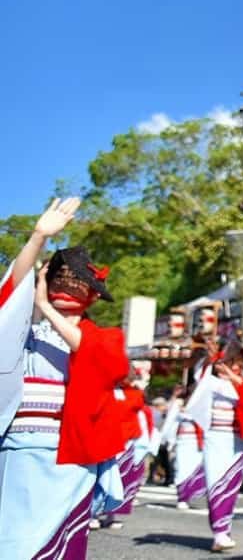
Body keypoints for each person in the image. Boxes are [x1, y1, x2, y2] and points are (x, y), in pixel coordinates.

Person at [0, 199, 133, 560]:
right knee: (13, 542)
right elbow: (10, 294)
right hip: (20, 445)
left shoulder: (105, 337)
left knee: (59, 541)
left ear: (93, 294)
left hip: (71, 448)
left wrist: (45, 306)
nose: (66, 286)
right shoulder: (24, 333)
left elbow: (104, 362)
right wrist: (38, 238)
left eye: (76, 282)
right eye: (58, 278)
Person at [184, 339, 243, 552]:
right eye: (231, 362)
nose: (235, 366)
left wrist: (233, 377)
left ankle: (223, 532)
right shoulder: (210, 382)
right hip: (216, 438)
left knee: (230, 486)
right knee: (215, 484)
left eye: (238, 363)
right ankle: (219, 533)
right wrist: (211, 359)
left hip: (238, 441)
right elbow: (199, 379)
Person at [102, 368, 159, 529]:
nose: (129, 377)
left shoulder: (134, 394)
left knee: (123, 479)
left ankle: (113, 514)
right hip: (108, 440)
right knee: (103, 478)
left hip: (127, 443)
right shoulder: (108, 389)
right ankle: (94, 513)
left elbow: (136, 406)